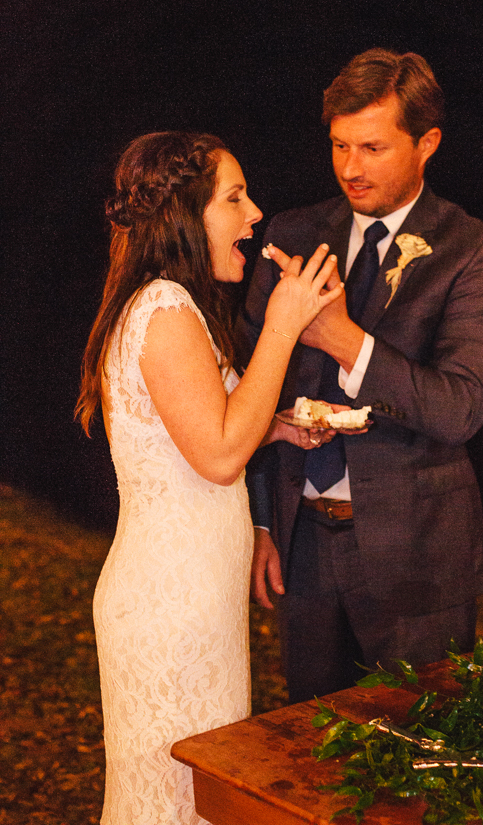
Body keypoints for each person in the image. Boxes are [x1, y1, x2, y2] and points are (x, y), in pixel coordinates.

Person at [75, 131, 343, 825]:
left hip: (192, 603)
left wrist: (275, 425)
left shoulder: (170, 303)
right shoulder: (164, 310)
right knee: (174, 808)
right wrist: (284, 324)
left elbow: (206, 430)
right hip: (170, 614)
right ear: (185, 216)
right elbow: (221, 457)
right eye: (234, 198)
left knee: (196, 802)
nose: (254, 215)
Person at [237, 49, 483, 703]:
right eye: (339, 145)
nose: (350, 168)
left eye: (372, 148)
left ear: (427, 143)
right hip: (301, 544)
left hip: (419, 553)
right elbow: (248, 386)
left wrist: (342, 339)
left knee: (421, 737)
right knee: (307, 737)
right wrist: (261, 523)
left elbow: (460, 408)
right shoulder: (294, 233)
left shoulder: (475, 249)